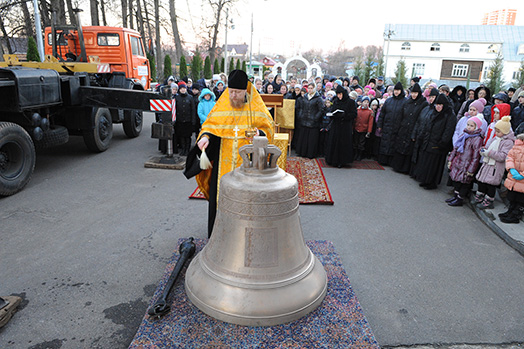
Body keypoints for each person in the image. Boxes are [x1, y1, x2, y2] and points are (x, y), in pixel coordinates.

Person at [184, 70, 274, 237]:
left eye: (237, 92)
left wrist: (259, 134)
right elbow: (210, 126)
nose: (233, 96)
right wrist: (205, 138)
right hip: (222, 164)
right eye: (231, 91)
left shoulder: (255, 105)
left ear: (245, 91)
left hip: (248, 165)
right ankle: (219, 238)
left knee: (246, 202)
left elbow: (268, 128)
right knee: (220, 199)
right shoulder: (223, 103)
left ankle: (246, 238)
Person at [413, 93, 456, 189]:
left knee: (434, 165)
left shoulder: (449, 115)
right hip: (428, 142)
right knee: (426, 163)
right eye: (437, 105)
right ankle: (425, 180)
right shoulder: (433, 113)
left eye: (440, 105)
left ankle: (432, 183)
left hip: (438, 145)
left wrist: (442, 142)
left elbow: (448, 131)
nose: (438, 107)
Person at [474, 116, 515, 209]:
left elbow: (503, 156)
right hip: (488, 164)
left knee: (491, 185)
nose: (496, 133)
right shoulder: (496, 138)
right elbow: (488, 147)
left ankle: (489, 201)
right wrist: (484, 150)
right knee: (482, 181)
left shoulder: (508, 142)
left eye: (498, 131)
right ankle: (480, 196)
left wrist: (489, 153)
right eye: (496, 130)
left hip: (496, 167)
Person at [446, 116, 484, 206]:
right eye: (468, 125)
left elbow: (475, 157)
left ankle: (460, 198)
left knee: (464, 182)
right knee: (456, 181)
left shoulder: (477, 139)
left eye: (471, 126)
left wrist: (471, 169)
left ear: (476, 127)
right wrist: (451, 159)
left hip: (467, 164)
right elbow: (456, 148)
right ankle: (455, 196)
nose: (469, 127)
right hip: (458, 162)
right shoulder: (464, 135)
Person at [391, 83, 428, 173]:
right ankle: (397, 166)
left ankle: (405, 168)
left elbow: (420, 119)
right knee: (400, 146)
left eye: (416, 93)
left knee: (409, 149)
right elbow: (401, 115)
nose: (414, 95)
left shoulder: (423, 103)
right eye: (412, 93)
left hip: (413, 129)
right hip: (403, 128)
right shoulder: (407, 102)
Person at [325, 85, 356, 167]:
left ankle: (342, 161)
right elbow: (332, 110)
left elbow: (354, 114)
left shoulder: (351, 102)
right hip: (336, 125)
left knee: (343, 144)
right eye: (338, 94)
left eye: (340, 94)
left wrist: (344, 115)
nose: (339, 96)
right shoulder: (336, 101)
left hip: (345, 126)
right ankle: (332, 159)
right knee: (334, 142)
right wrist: (333, 115)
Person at [499, 124, 524, 223]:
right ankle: (510, 211)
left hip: (522, 180)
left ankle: (516, 215)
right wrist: (511, 169)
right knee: (512, 196)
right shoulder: (516, 146)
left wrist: (522, 174)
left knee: (520, 199)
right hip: (514, 177)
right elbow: (510, 157)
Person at [377, 82, 406, 166]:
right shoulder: (389, 100)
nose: (396, 92)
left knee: (394, 144)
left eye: (398, 90)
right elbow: (382, 114)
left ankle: (391, 161)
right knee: (385, 143)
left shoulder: (405, 101)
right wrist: (380, 125)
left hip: (397, 127)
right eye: (395, 90)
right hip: (387, 125)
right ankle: (383, 160)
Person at [295, 82, 324, 159]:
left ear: (314, 88)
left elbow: (321, 110)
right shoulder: (305, 97)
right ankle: (302, 152)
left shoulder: (318, 98)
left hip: (313, 122)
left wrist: (315, 117)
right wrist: (300, 115)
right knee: (304, 138)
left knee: (311, 139)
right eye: (309, 88)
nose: (310, 90)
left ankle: (310, 154)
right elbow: (301, 107)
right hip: (304, 120)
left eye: (311, 88)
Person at [174, 81, 197, 156]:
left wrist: (193, 121)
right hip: (180, 120)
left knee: (188, 136)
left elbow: (193, 110)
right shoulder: (177, 98)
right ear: (179, 90)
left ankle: (187, 149)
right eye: (181, 88)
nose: (183, 90)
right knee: (181, 136)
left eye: (184, 88)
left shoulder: (190, 98)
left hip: (188, 120)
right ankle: (183, 149)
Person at [353, 95, 373, 161]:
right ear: (361, 102)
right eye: (364, 101)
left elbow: (370, 122)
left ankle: (360, 155)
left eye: (367, 102)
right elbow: (355, 119)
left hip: (363, 129)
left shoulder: (370, 112)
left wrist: (369, 131)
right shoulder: (357, 110)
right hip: (356, 128)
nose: (366, 103)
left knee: (361, 143)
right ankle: (355, 154)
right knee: (355, 142)